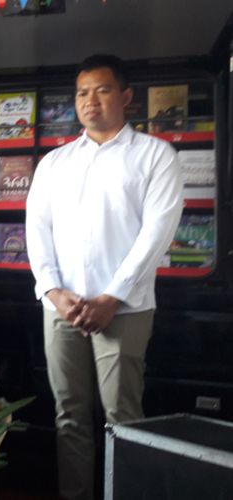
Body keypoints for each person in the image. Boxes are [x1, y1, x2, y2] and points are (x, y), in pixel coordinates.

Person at [25, 54, 184, 500]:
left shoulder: (155, 156)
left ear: (126, 97)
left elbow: (157, 233)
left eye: (102, 90)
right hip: (62, 309)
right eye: (81, 93)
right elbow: (36, 230)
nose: (90, 101)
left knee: (123, 416)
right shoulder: (55, 163)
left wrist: (112, 297)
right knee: (69, 416)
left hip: (125, 310)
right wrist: (53, 291)